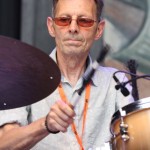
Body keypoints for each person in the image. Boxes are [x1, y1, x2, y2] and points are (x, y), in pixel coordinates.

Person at [0, 0, 133, 149]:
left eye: (84, 21)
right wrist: (45, 124)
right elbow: (5, 143)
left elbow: (135, 140)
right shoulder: (23, 78)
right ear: (51, 27)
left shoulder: (116, 81)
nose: (73, 28)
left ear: (99, 30)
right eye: (64, 20)